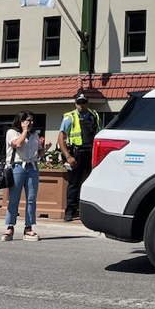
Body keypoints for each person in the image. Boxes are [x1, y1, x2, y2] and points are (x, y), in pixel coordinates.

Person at [58, 92, 101, 221]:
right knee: (74, 183)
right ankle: (70, 211)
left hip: (91, 153)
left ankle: (87, 211)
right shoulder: (69, 117)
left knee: (91, 182)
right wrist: (68, 156)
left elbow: (98, 134)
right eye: (79, 102)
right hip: (77, 153)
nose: (81, 105)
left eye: (83, 102)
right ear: (75, 103)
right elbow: (61, 138)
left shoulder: (94, 115)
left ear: (87, 103)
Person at [3, 110, 45, 242]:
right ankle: (10, 226)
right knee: (14, 198)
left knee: (31, 199)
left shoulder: (35, 135)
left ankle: (29, 227)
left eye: (32, 120)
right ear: (20, 121)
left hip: (32, 167)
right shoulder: (12, 132)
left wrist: (45, 149)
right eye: (27, 120)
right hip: (17, 167)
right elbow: (17, 144)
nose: (30, 123)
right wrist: (24, 131)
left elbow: (38, 154)